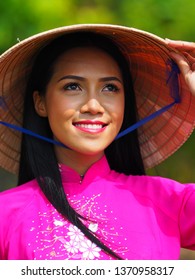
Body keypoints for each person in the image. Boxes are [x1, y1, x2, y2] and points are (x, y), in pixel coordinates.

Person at [0, 24, 195, 260]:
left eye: (110, 88)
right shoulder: (5, 214)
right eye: (73, 86)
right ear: (40, 102)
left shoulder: (172, 202)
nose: (93, 106)